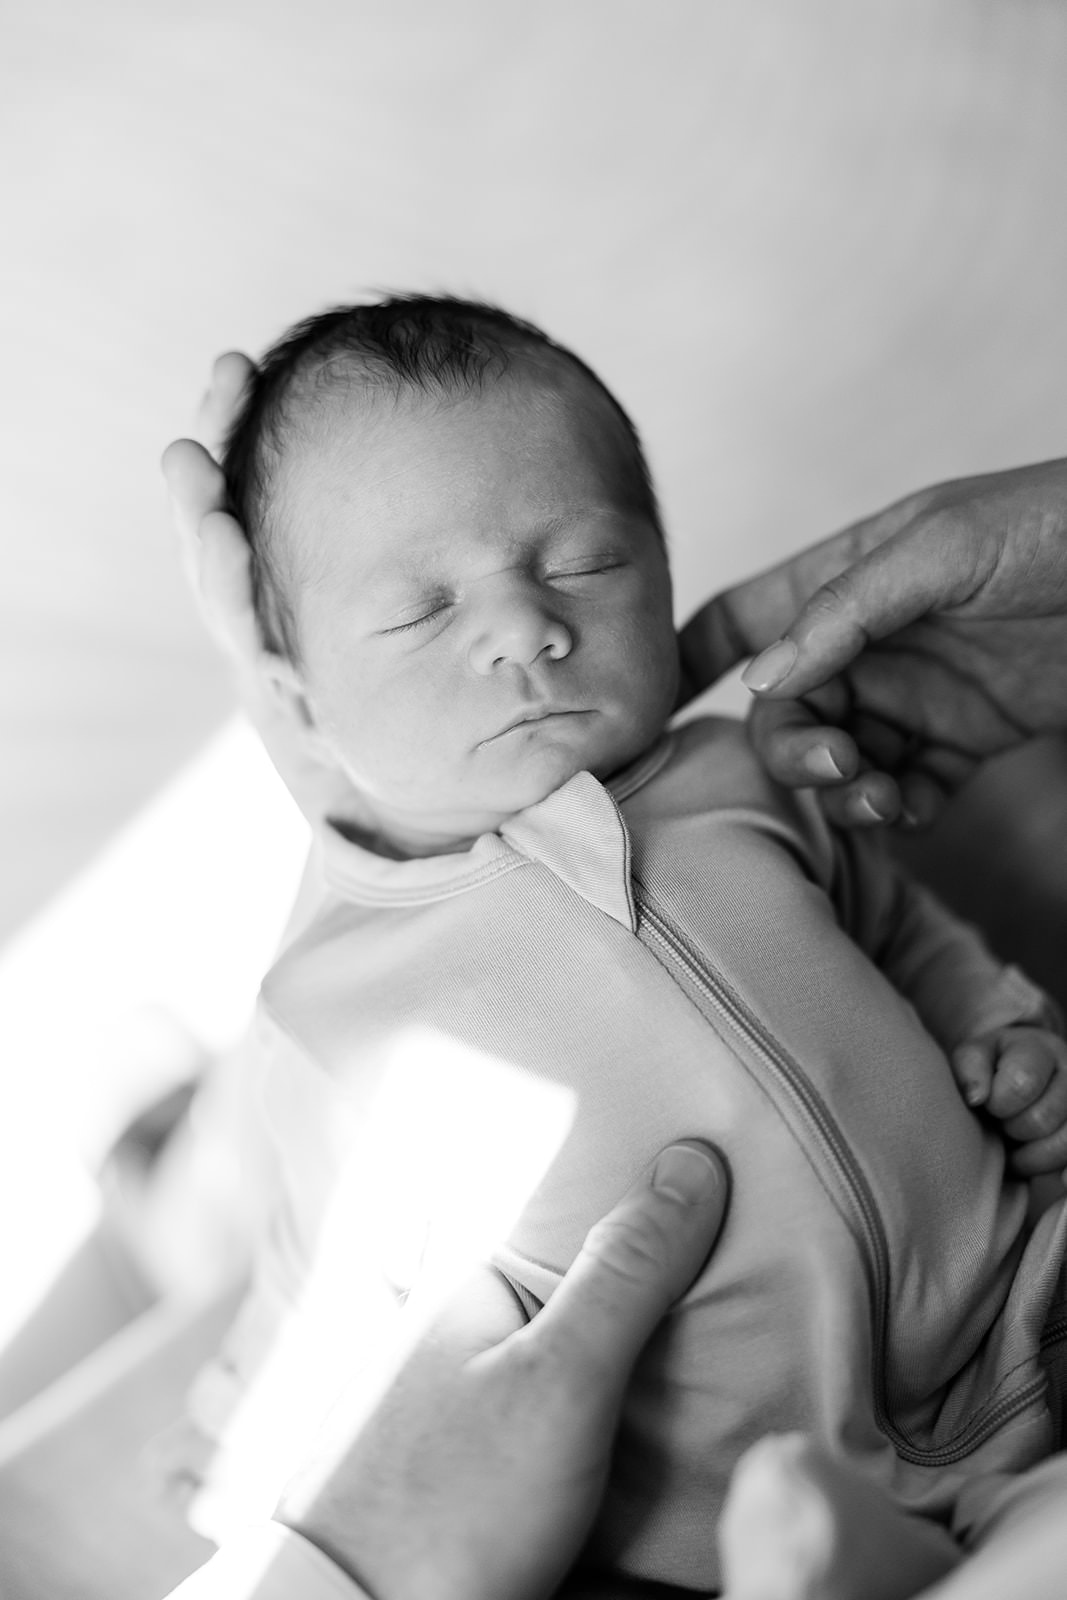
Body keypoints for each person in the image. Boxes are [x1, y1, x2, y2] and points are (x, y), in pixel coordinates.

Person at [158, 293, 1067, 1599]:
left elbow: (903, 938)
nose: (526, 627)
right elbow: (327, 1279)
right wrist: (237, 1441)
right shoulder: (331, 1004)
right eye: (422, 612)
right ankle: (823, 1556)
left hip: (1028, 1302)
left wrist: (1007, 1036)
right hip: (707, 1494)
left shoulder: (749, 776)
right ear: (297, 697)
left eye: (584, 562)